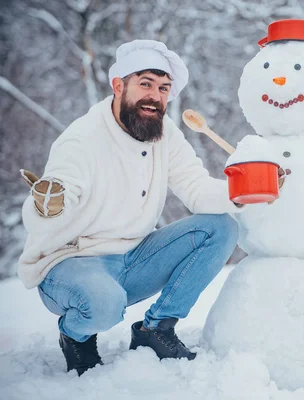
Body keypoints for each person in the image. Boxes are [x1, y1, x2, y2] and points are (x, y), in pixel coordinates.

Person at [17, 40, 247, 376]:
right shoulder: (82, 139)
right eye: (146, 84)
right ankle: (75, 336)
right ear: (119, 85)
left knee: (222, 227)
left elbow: (196, 188)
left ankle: (156, 329)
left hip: (134, 258)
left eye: (164, 88)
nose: (155, 96)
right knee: (104, 304)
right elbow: (57, 195)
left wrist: (245, 189)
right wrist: (49, 204)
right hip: (72, 264)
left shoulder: (163, 133)